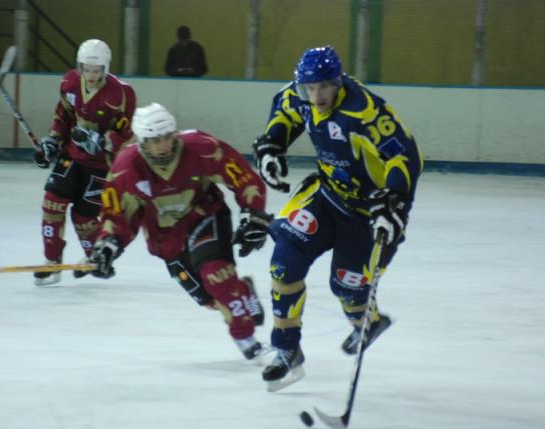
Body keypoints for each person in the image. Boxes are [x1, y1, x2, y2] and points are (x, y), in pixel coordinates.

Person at [252, 45, 423, 391]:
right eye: (309, 89)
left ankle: (367, 322)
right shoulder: (300, 94)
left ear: (338, 81)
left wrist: (394, 200)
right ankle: (287, 350)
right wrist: (272, 146)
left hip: (368, 213)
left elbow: (406, 156)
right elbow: (284, 113)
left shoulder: (366, 111)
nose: (316, 96)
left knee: (347, 288)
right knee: (284, 260)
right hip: (327, 194)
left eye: (324, 88)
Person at [90, 102, 273, 360]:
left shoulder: (202, 148)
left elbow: (242, 176)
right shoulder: (124, 170)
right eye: (154, 141)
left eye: (166, 138)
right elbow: (116, 215)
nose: (162, 146)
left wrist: (253, 213)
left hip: (206, 216)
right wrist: (108, 244)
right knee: (211, 299)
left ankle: (248, 341)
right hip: (167, 240)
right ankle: (243, 291)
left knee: (217, 277)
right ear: (142, 141)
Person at [33, 38, 137, 286]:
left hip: (102, 166)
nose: (90, 75)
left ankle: (95, 256)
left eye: (96, 70)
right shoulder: (69, 83)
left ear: (105, 68)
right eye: (86, 69)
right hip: (72, 157)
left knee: (84, 218)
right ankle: (52, 262)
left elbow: (126, 133)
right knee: (52, 204)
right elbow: (63, 116)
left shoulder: (122, 94)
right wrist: (52, 140)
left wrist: (101, 141)